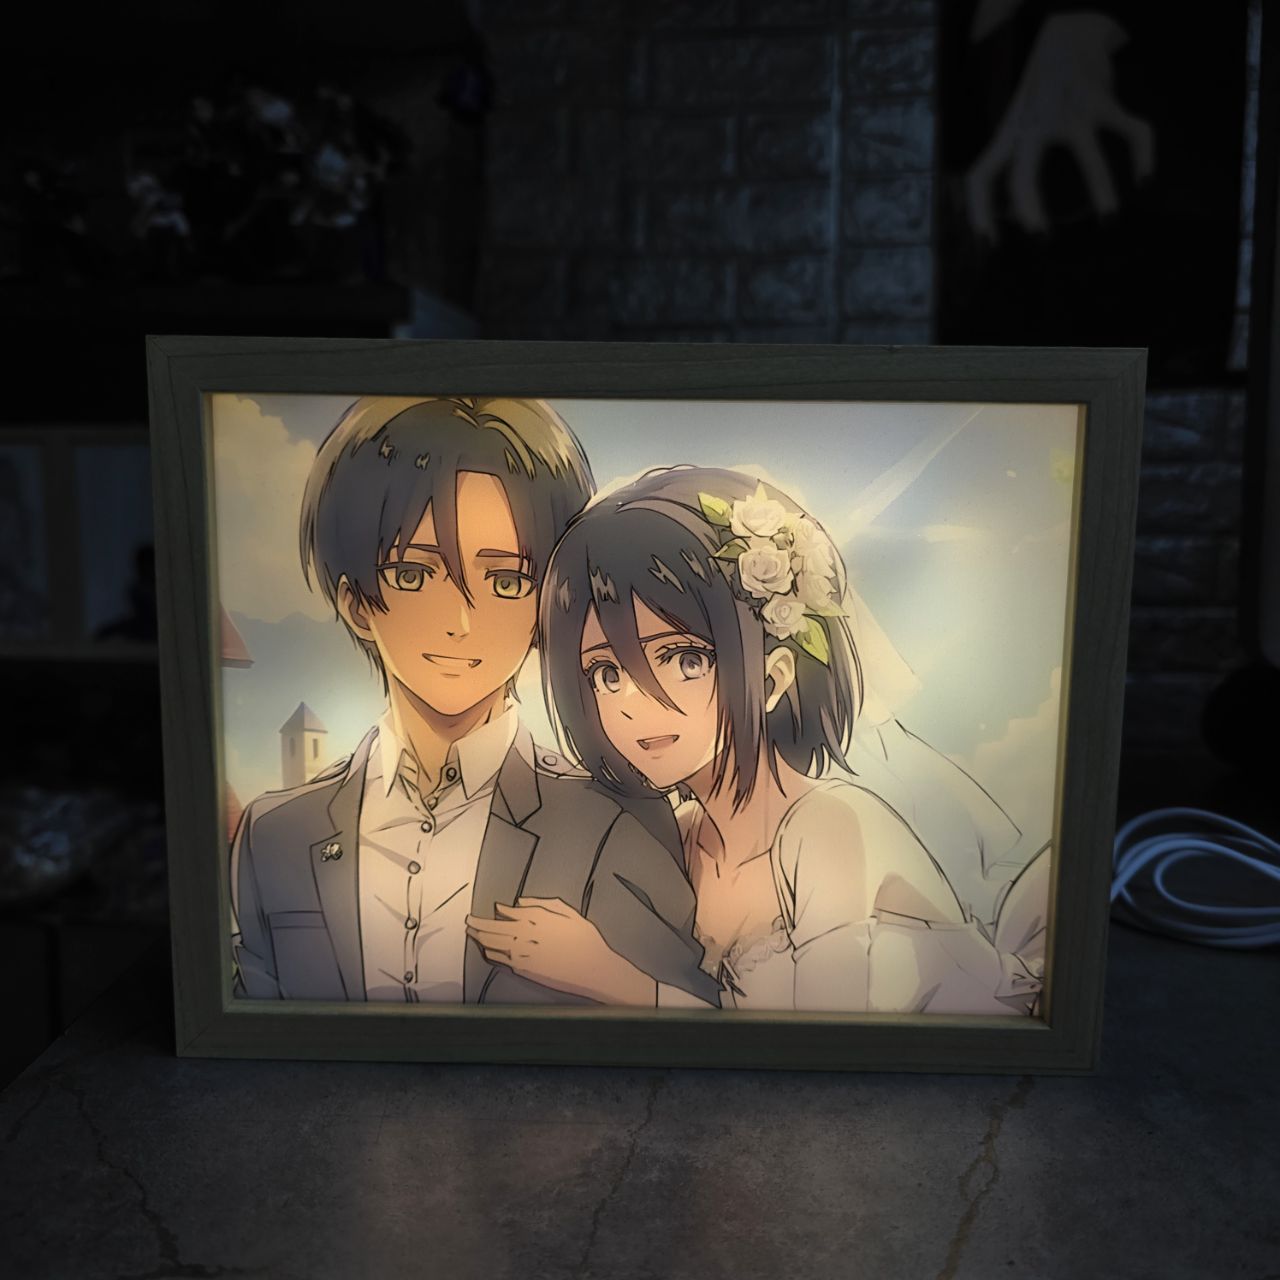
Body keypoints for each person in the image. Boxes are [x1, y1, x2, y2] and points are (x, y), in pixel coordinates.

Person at [467, 466, 1041, 1014]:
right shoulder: (682, 837)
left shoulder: (827, 829)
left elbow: (813, 1046)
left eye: (683, 659)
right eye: (606, 672)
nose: (633, 702)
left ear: (771, 679)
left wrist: (611, 977)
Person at [230, 398, 719, 1006]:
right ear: (355, 603)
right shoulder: (276, 832)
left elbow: (681, 1031)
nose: (461, 623)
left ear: (548, 607)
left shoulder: (619, 821)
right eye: (414, 575)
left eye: (507, 582)